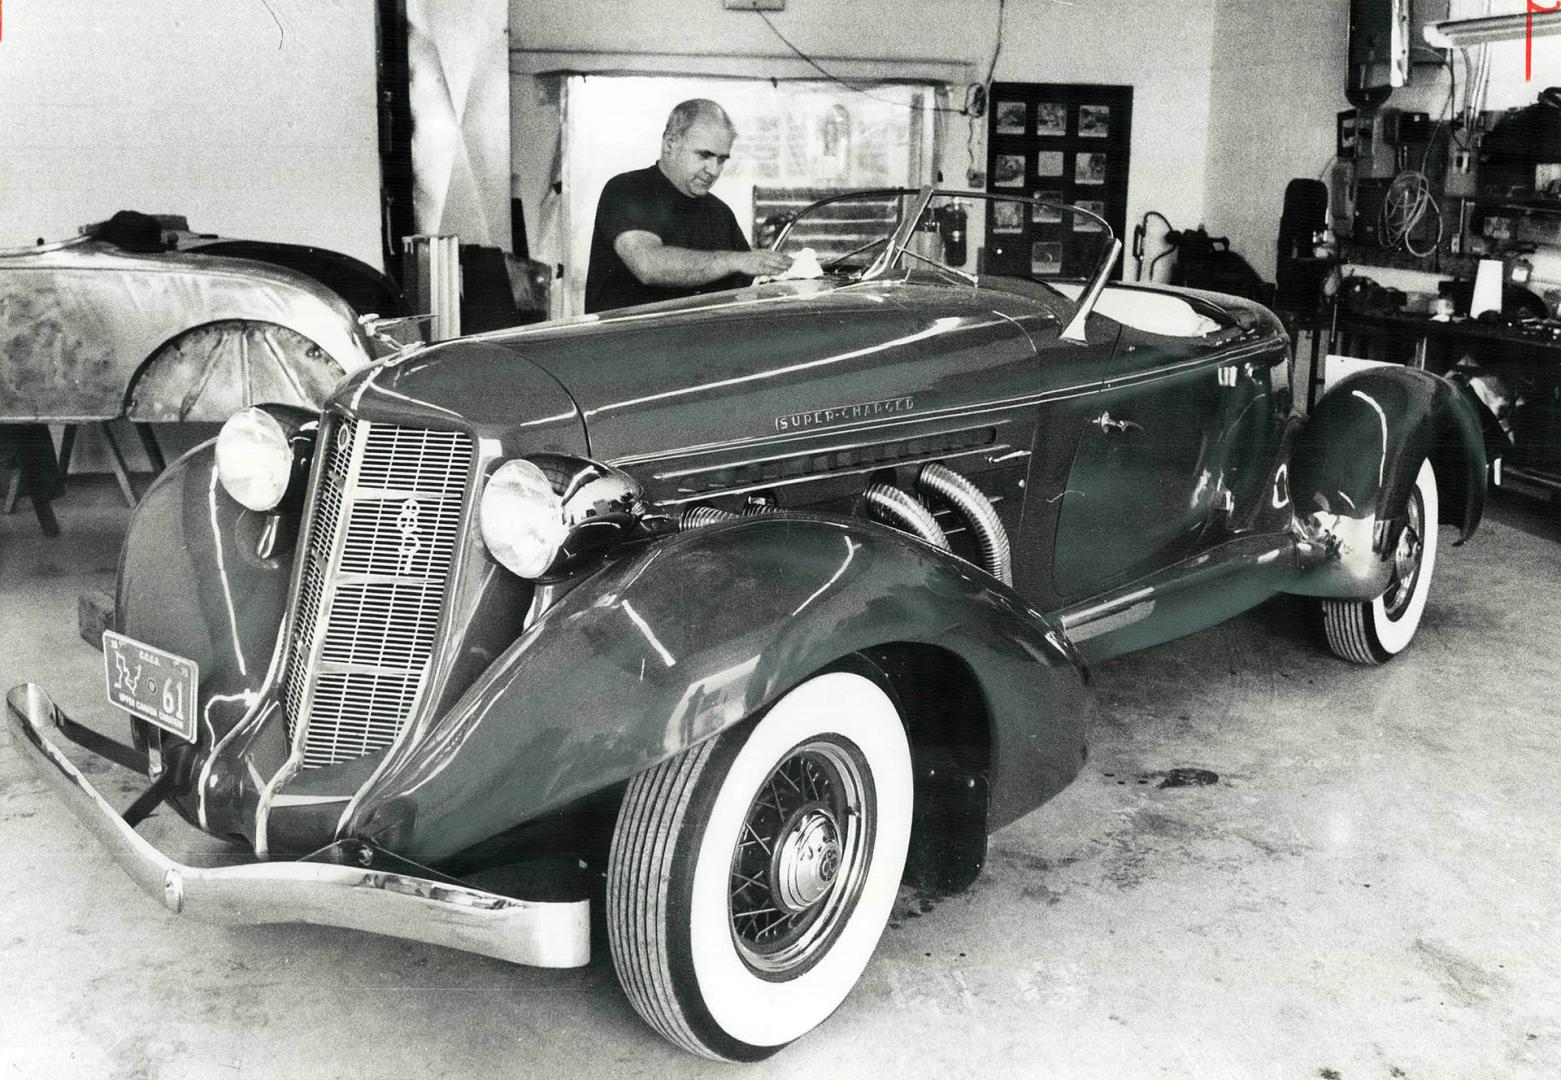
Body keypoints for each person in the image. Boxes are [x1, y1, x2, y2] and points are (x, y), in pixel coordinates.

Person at [585, 99, 790, 313]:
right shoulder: (626, 189)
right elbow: (647, 265)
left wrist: (770, 259)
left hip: (697, 343)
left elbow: (743, 281)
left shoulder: (720, 213)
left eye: (721, 160)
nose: (713, 170)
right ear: (670, 144)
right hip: (626, 343)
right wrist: (735, 260)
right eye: (704, 155)